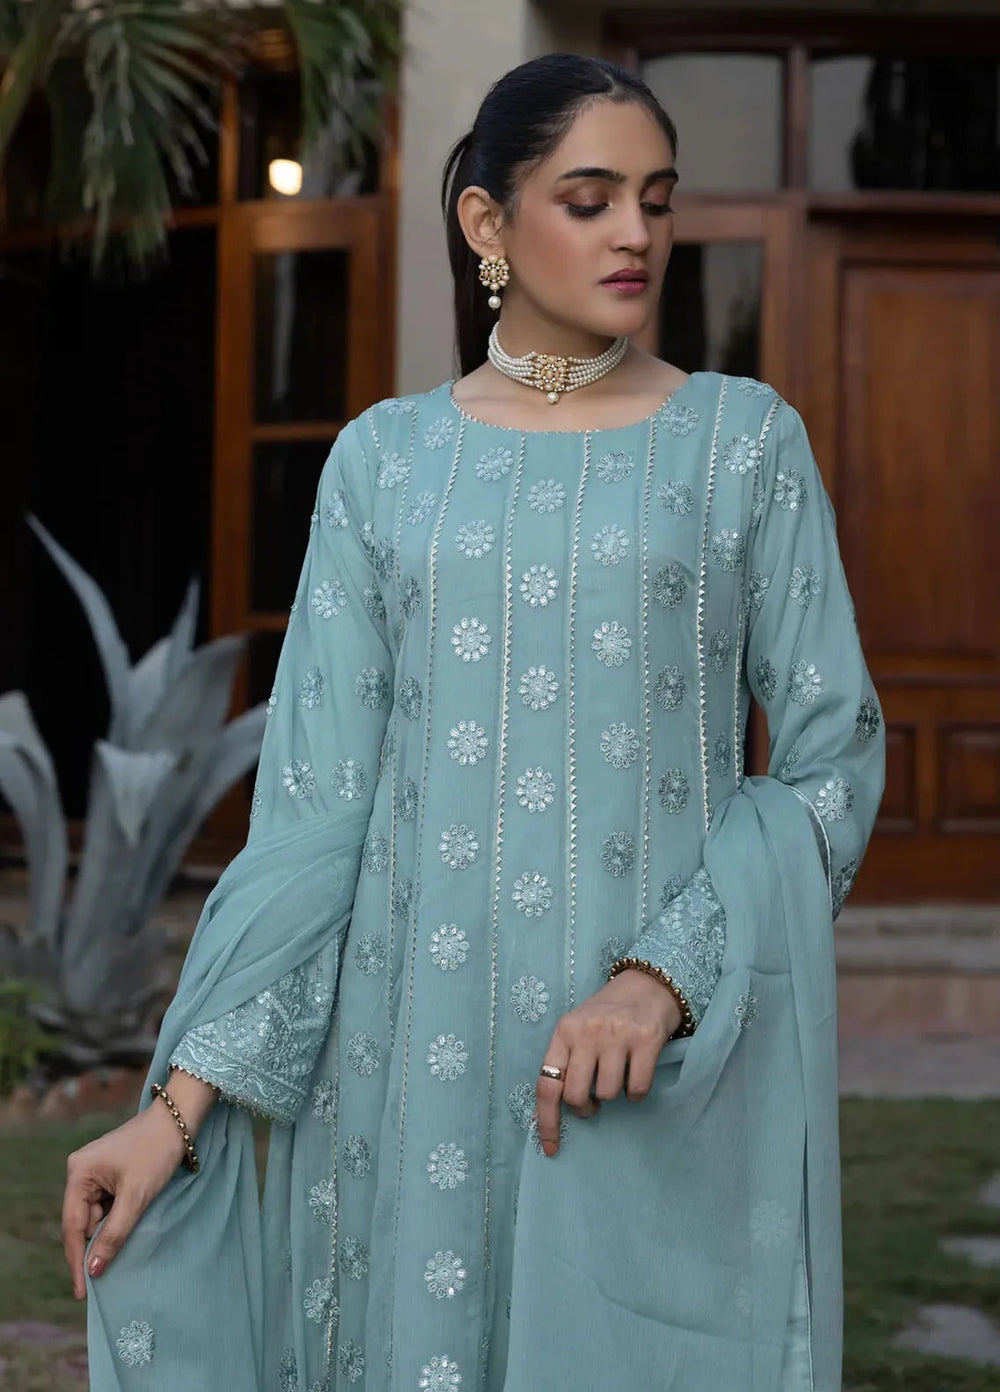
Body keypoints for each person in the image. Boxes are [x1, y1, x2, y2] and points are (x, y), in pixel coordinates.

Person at [63, 52, 885, 1391]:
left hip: (643, 1067)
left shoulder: (741, 445)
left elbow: (830, 763)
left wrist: (661, 979)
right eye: (591, 199)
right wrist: (176, 1111)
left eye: (657, 200)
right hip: (408, 1083)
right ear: (487, 223)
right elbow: (315, 824)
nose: (636, 233)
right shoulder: (386, 463)